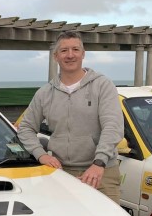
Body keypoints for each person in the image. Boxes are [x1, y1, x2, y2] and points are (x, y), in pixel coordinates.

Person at [17, 31, 124, 203]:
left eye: (75, 49)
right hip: (61, 174)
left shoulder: (103, 85)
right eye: (64, 50)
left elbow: (113, 126)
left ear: (83, 54)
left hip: (101, 173)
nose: (70, 55)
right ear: (56, 56)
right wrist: (41, 155)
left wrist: (99, 163)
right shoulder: (44, 93)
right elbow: (26, 128)